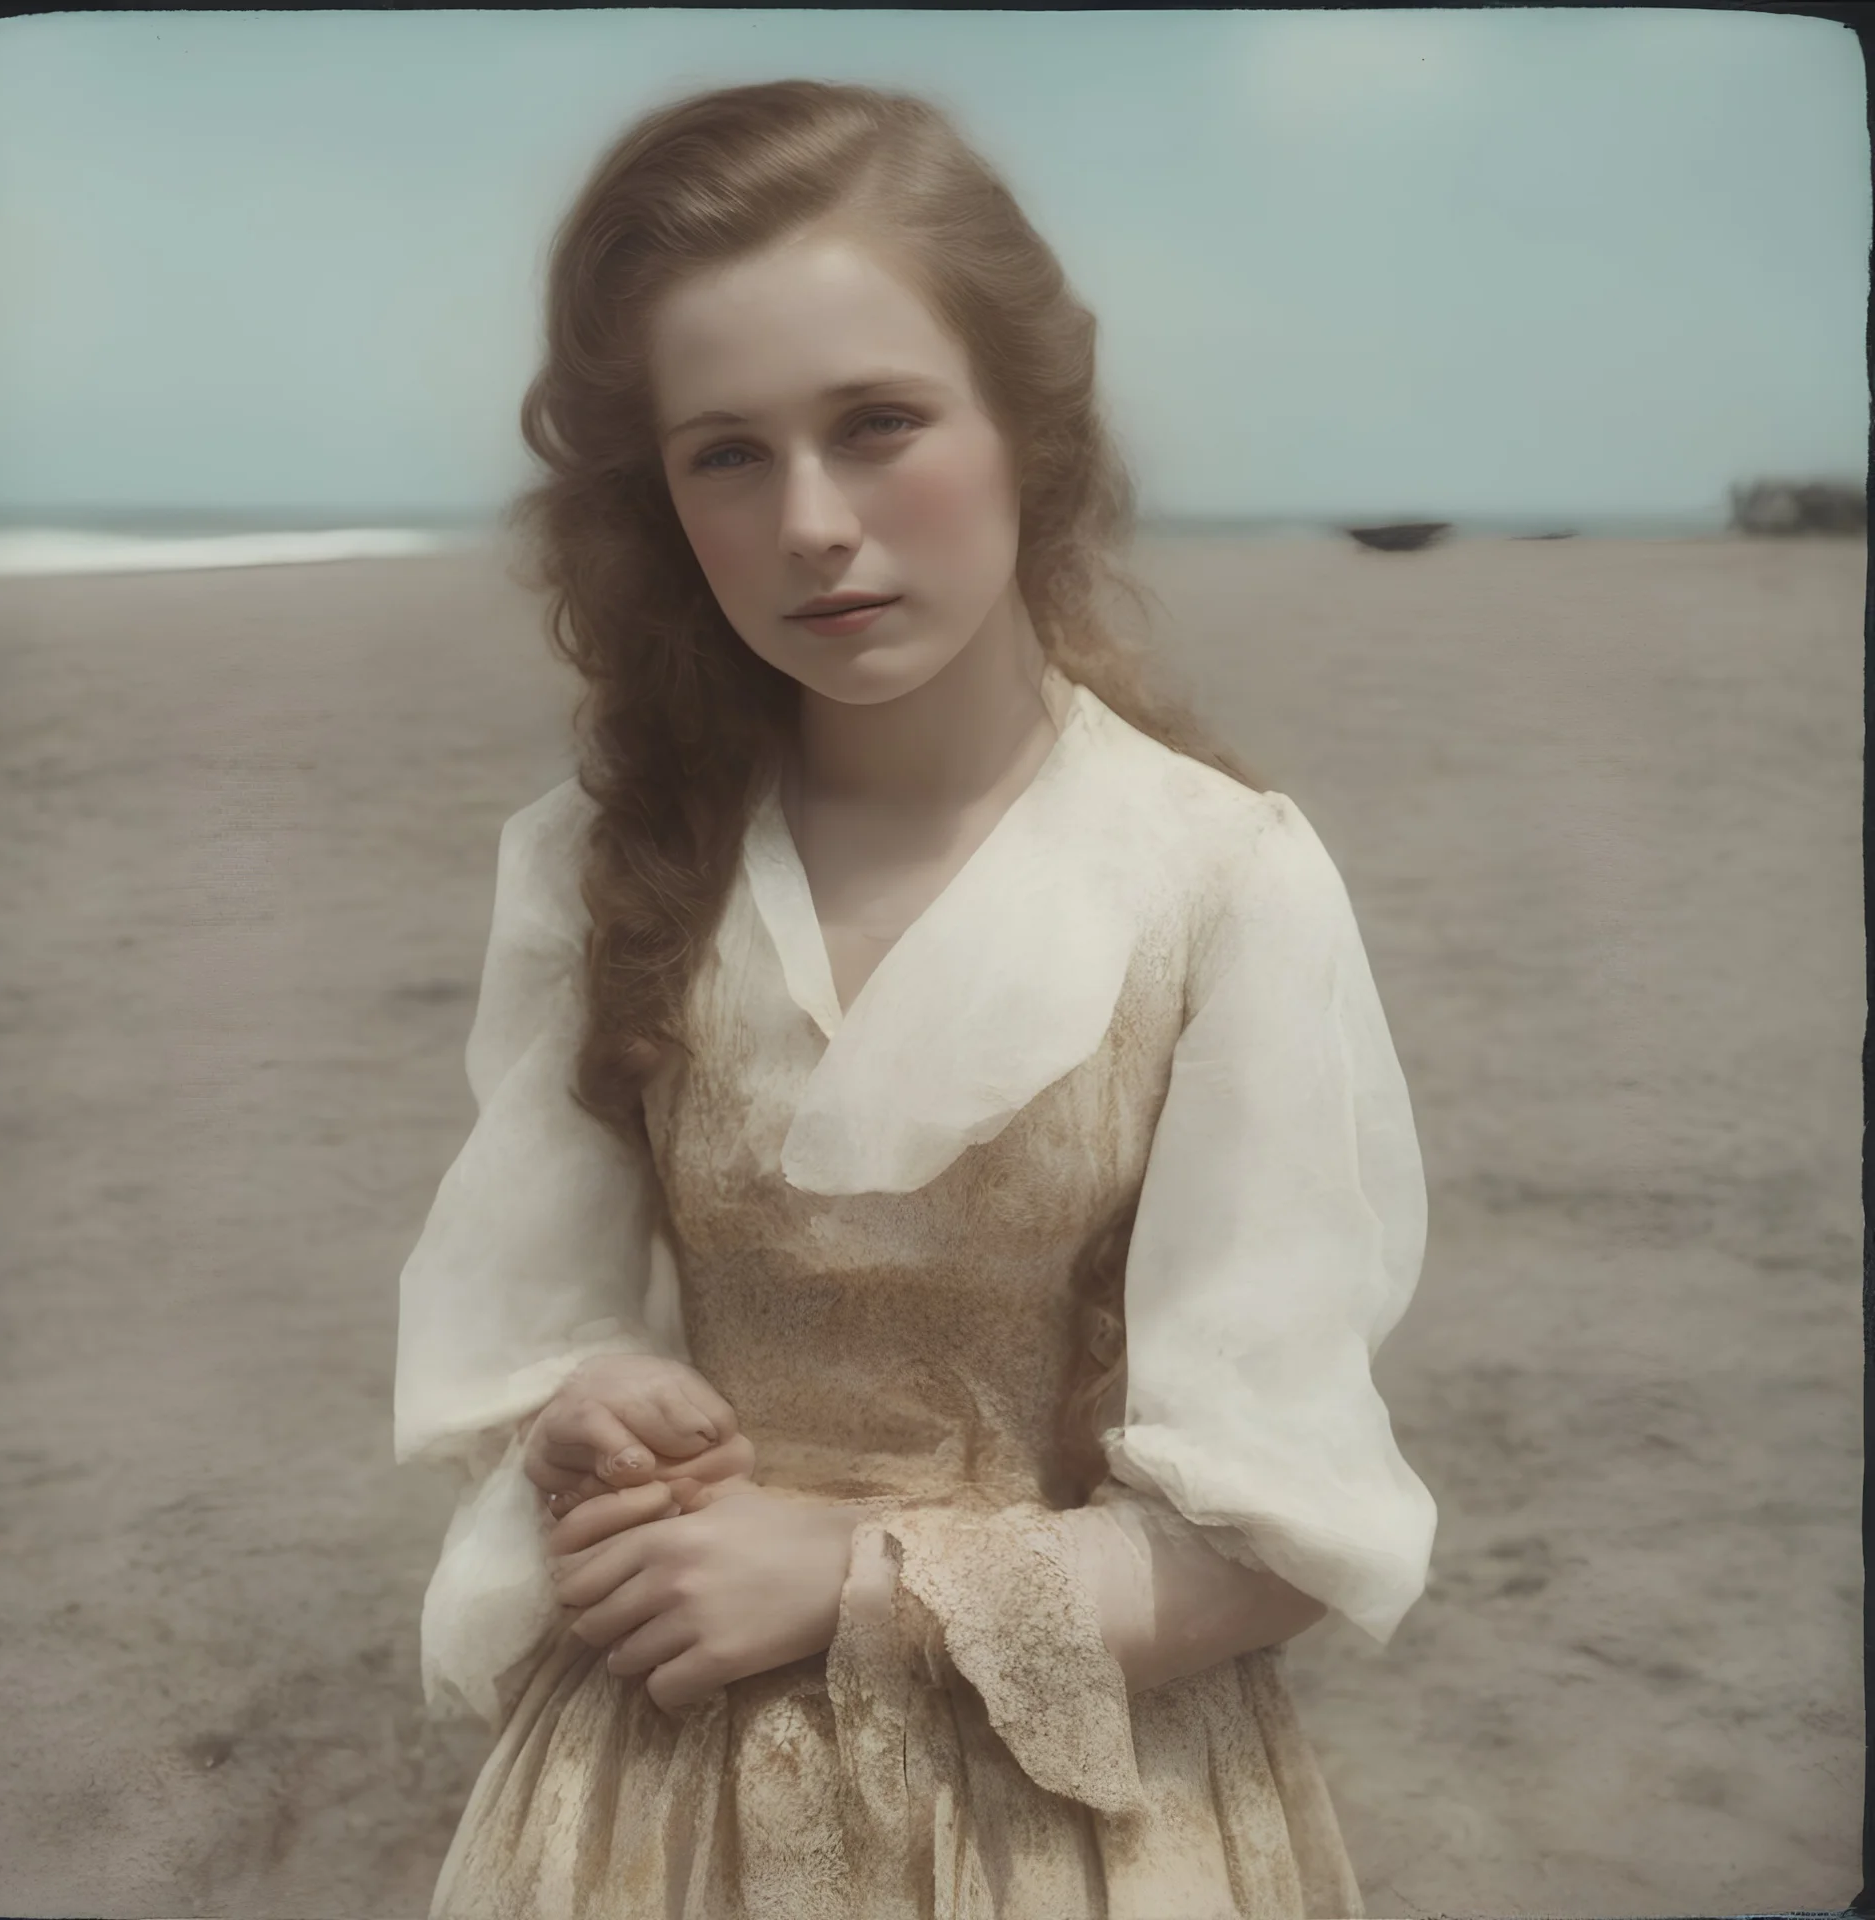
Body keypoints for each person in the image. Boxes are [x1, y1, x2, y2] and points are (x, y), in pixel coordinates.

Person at [394, 77, 1436, 1919]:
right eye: (727, 452)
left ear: (1026, 425)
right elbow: (539, 1342)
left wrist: (853, 1579)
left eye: (877, 425)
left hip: (1075, 1800)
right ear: (661, 498)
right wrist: (592, 1412)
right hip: (660, 1784)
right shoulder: (592, 862)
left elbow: (1282, 1544)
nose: (812, 522)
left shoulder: (1219, 878)